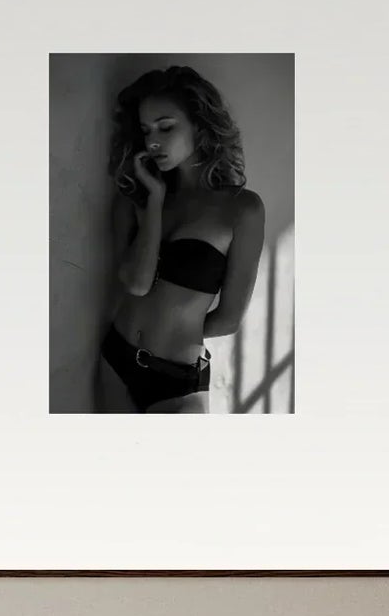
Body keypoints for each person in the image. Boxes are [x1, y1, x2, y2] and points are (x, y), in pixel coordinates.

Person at [95, 65, 266, 415]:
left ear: (200, 126)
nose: (153, 141)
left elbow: (229, 319)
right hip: (115, 359)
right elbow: (136, 284)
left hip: (176, 380)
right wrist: (155, 201)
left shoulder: (241, 210)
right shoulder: (135, 198)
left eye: (166, 127)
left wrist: (173, 331)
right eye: (145, 130)